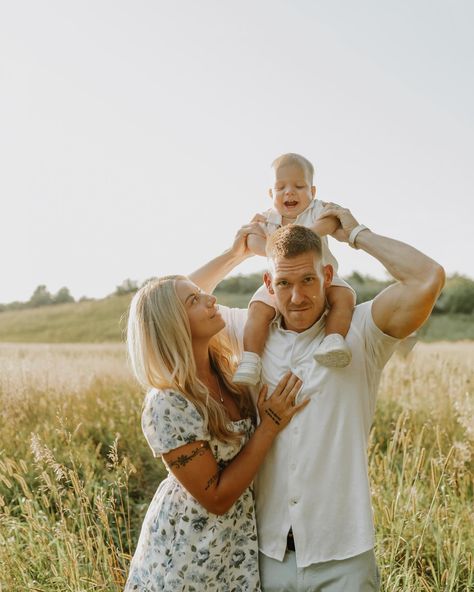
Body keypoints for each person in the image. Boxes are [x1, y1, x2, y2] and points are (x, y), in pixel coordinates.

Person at [123, 223, 309, 592]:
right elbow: (217, 496)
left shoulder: (228, 371)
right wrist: (269, 425)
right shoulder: (168, 402)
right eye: (196, 300)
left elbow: (174, 297)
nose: (210, 299)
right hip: (185, 556)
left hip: (235, 551)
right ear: (173, 324)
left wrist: (235, 253)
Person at [233, 153, 355, 386]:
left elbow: (331, 222)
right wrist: (274, 247)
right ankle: (250, 359)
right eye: (280, 188)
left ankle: (333, 340)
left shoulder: (317, 210)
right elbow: (251, 240)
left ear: (313, 191)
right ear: (271, 194)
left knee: (345, 296)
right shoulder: (267, 218)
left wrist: (300, 236)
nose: (289, 192)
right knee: (258, 308)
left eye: (299, 186)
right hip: (282, 282)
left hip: (322, 277)